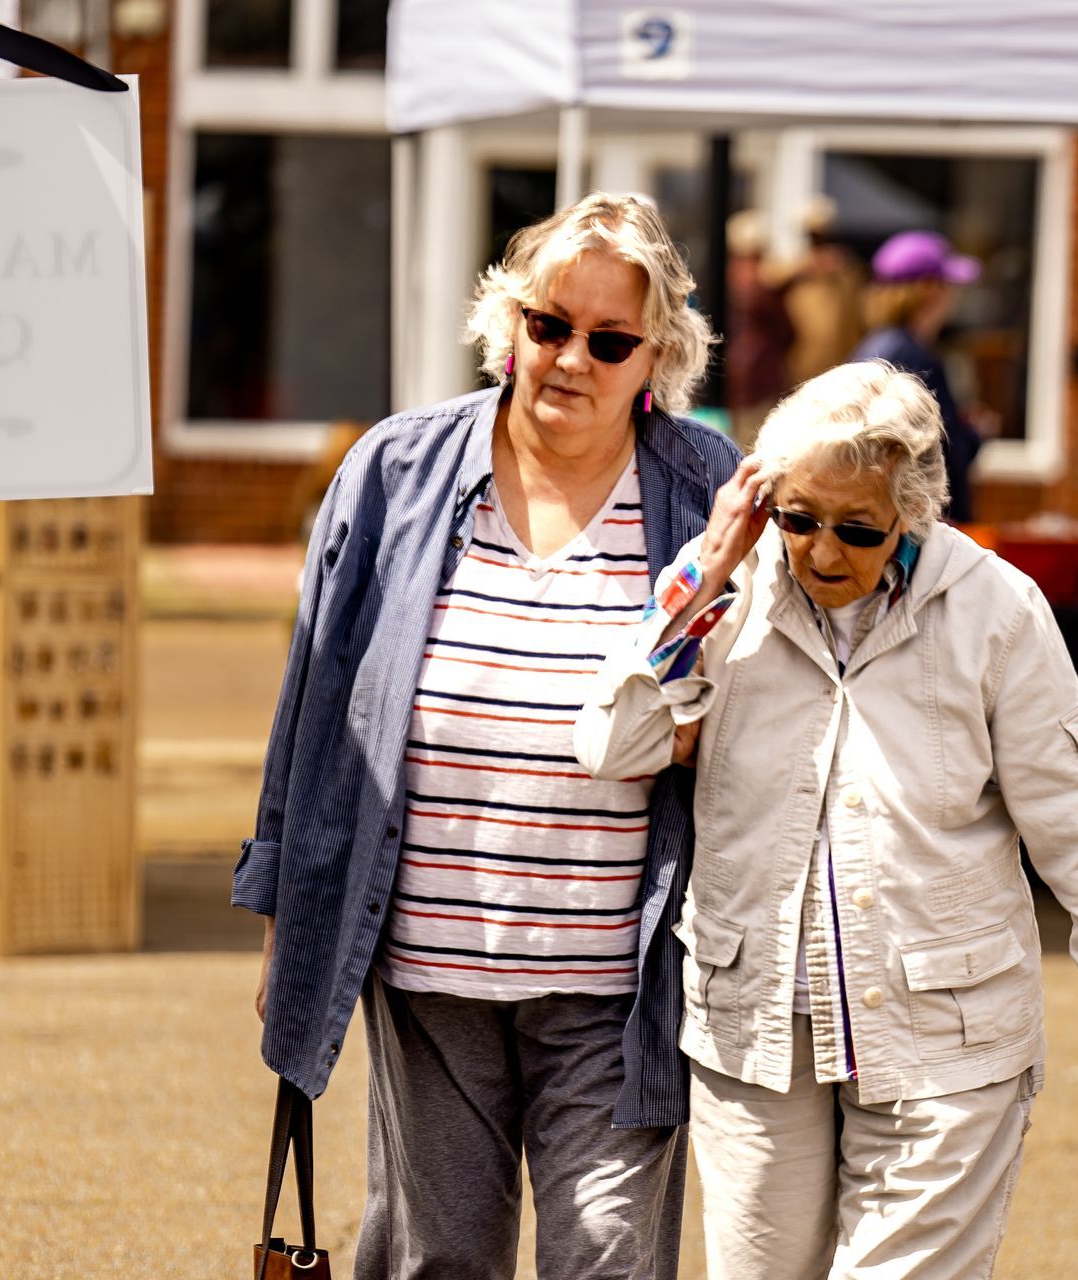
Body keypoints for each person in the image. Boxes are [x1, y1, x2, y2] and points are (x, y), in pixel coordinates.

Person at [233, 192, 740, 1280]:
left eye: (609, 342)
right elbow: (314, 704)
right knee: (438, 1256)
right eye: (549, 324)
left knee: (605, 1254)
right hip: (428, 963)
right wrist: (287, 909)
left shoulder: (702, 490)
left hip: (619, 970)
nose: (570, 360)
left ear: (656, 357)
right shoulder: (396, 470)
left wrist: (707, 739)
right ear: (507, 322)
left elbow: (767, 701)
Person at [576, 362, 1078, 1280]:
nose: (819, 552)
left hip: (948, 1041)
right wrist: (700, 577)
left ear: (914, 514)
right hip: (758, 1036)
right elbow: (613, 744)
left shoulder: (997, 611)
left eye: (857, 529)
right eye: (798, 517)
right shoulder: (729, 590)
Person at [851, 230, 985, 522]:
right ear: (928, 288)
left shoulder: (874, 347)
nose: (954, 296)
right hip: (919, 523)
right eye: (948, 285)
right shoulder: (914, 357)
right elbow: (941, 451)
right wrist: (976, 435)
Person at [724, 209, 797, 450]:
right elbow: (788, 333)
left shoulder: (745, 286)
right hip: (753, 384)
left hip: (750, 383)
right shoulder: (763, 290)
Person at [785, 196, 867, 386]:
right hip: (801, 362)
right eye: (812, 234)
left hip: (839, 361)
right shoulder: (795, 266)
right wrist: (805, 266)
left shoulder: (846, 267)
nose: (818, 240)